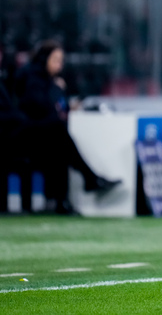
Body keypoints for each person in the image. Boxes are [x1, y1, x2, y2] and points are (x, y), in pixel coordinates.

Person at [14, 40, 120, 214]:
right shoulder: (32, 78)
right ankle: (88, 179)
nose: (59, 65)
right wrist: (55, 89)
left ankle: (67, 197)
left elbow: (57, 108)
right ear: (44, 59)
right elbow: (39, 107)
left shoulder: (50, 81)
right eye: (55, 60)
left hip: (44, 134)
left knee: (60, 142)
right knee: (59, 134)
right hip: (24, 134)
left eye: (61, 60)